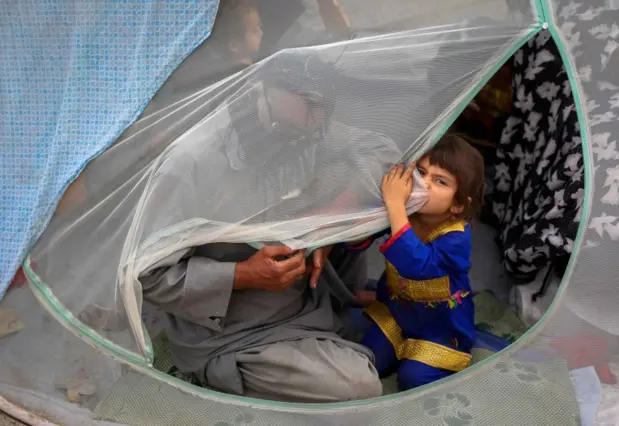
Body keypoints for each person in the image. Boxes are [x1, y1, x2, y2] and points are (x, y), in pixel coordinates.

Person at [137, 51, 386, 402]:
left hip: (307, 299)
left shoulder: (304, 128)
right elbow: (148, 275)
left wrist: (327, 222)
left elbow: (380, 149)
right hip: (234, 330)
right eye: (286, 132)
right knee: (359, 388)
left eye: (309, 135)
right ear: (256, 93)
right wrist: (245, 275)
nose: (296, 145)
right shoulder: (191, 162)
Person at [346, 135, 484, 390]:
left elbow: (417, 266)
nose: (425, 184)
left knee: (413, 378)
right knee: (368, 358)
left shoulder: (456, 237)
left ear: (457, 204)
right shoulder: (406, 211)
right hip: (399, 315)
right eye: (421, 173)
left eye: (440, 181)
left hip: (440, 329)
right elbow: (362, 237)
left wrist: (396, 205)